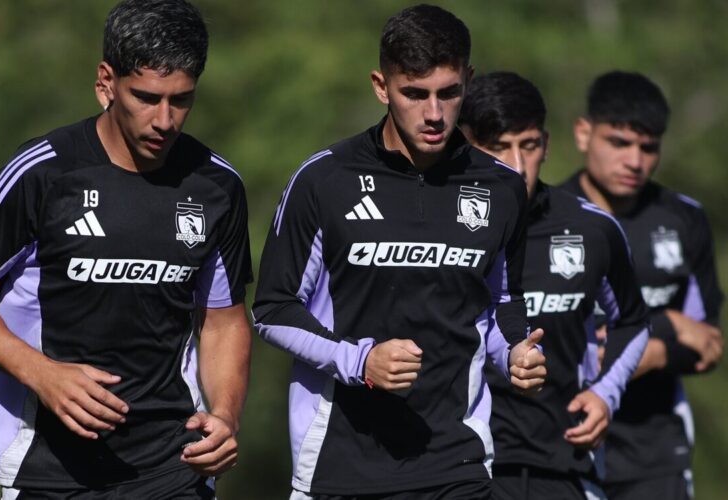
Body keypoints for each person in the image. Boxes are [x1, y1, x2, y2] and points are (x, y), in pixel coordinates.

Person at [0, 0, 253, 498]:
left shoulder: (216, 185)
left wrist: (226, 415)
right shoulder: (44, 173)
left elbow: (224, 319)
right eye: (146, 97)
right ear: (106, 82)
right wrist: (41, 373)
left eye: (181, 100)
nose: (165, 120)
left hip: (173, 464)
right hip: (50, 469)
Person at [252, 6, 546, 499]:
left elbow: (501, 305)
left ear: (467, 82)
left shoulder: (502, 187)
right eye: (415, 93)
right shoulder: (324, 180)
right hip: (340, 468)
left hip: (459, 465)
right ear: (380, 86)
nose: (434, 113)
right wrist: (360, 361)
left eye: (449, 93)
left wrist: (516, 353)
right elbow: (272, 309)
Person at [459, 71, 649, 500]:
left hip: (564, 468)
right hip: (464, 471)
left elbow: (633, 322)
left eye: (528, 145)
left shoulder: (593, 228)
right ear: (468, 145)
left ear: (546, 144)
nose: (518, 166)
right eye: (499, 148)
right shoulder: (440, 230)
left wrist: (604, 394)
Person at [560, 70, 724, 500]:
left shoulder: (684, 219)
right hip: (563, 445)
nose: (635, 161)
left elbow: (708, 345)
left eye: (648, 147)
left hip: (655, 455)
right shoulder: (545, 217)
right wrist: (667, 326)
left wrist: (648, 350)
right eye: (619, 142)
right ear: (583, 133)